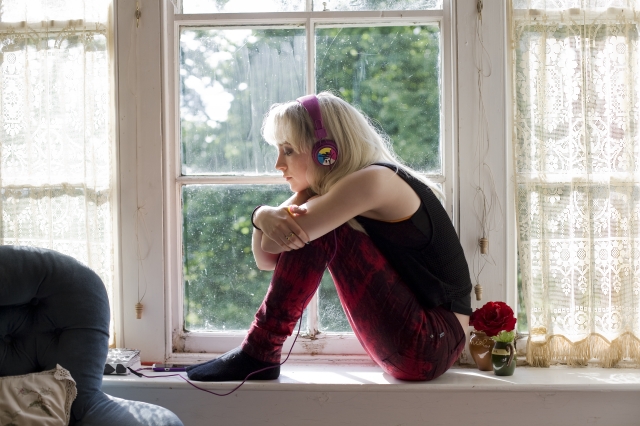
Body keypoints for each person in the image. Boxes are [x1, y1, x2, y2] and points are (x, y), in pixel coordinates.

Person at [186, 92, 472, 382]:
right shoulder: (348, 188)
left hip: (433, 341)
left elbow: (278, 241)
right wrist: (261, 215)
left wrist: (266, 215)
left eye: (288, 150)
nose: (278, 164)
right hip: (420, 343)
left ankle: (260, 350)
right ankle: (258, 352)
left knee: (324, 230)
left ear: (327, 152)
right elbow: (267, 256)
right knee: (314, 228)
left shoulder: (375, 179)